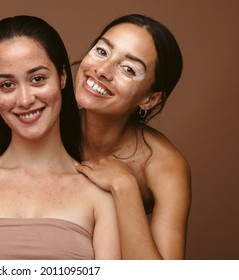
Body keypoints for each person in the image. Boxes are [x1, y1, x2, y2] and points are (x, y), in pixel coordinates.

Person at [0, 15, 120, 260]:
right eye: (7, 84)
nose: (25, 99)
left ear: (62, 77)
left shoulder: (99, 191)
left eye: (37, 79)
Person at [74, 14, 191, 259]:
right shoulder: (46, 124)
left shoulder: (165, 166)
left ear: (150, 99)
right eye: (102, 51)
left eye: (128, 69)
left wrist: (124, 186)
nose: (102, 70)